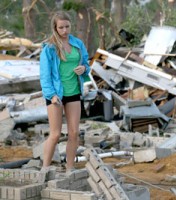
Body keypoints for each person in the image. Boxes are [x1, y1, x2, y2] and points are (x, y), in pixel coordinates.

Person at [39, 11, 90, 176]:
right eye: (61, 27)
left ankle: (69, 169)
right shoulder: (49, 48)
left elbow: (86, 64)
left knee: (74, 132)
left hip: (74, 92)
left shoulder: (77, 43)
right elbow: (44, 76)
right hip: (56, 96)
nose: (65, 30)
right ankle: (44, 169)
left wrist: (84, 69)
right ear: (55, 27)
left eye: (67, 26)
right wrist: (51, 95)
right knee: (55, 134)